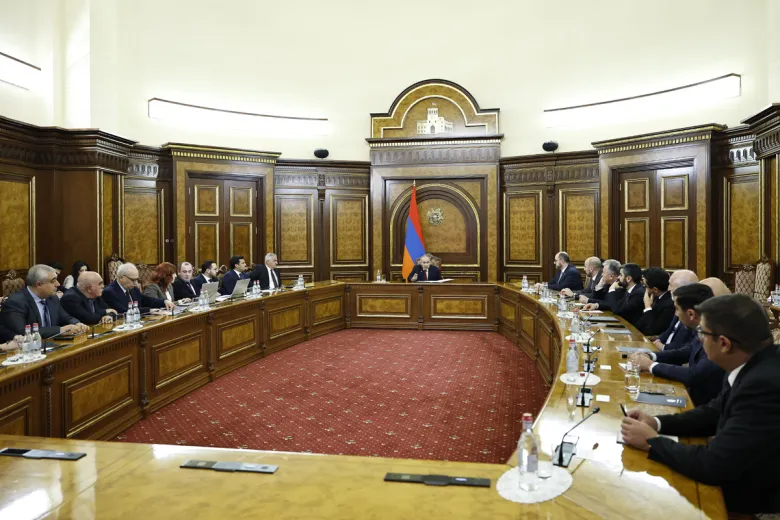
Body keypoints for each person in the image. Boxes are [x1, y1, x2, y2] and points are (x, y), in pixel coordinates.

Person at [621, 294, 780, 515]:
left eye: (702, 333)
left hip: (752, 500)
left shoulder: (763, 384)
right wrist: (656, 422)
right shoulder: (749, 364)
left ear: (724, 344)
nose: (698, 339)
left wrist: (652, 442)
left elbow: (715, 464)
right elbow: (713, 412)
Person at [629, 284, 724, 406]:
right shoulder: (703, 328)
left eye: (677, 309)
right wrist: (650, 355)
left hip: (705, 406)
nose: (676, 314)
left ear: (691, 314)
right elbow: (686, 351)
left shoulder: (716, 335)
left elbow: (694, 375)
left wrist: (650, 365)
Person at [0, 264, 88, 339]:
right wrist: (60, 330)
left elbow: (65, 317)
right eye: (53, 281)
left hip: (53, 345)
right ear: (39, 284)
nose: (58, 284)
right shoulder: (16, 302)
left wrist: (77, 323)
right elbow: (22, 332)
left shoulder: (52, 298)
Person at [102, 262, 175, 314]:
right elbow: (123, 311)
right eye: (133, 280)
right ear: (121, 278)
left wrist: (164, 302)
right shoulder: (109, 292)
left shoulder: (132, 288)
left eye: (136, 280)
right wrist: (149, 310)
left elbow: (145, 300)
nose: (135, 283)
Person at [652, 270, 698, 350]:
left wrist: (662, 347)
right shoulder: (677, 303)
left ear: (681, 288)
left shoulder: (690, 311)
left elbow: (682, 346)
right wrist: (658, 341)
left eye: (670, 285)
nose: (668, 288)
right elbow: (669, 330)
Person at [635, 267, 674, 336]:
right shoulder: (656, 298)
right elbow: (638, 326)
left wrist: (648, 307)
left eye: (645, 286)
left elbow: (653, 331)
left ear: (655, 290)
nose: (643, 288)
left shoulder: (669, 305)